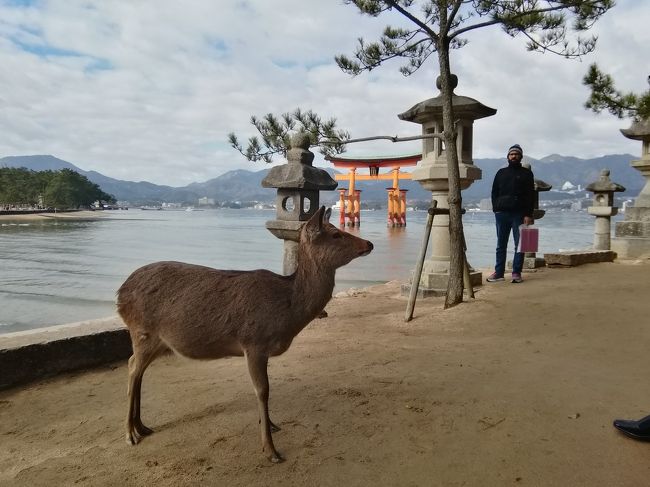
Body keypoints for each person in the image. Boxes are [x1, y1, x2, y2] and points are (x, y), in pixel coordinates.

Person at [487, 144, 535, 284]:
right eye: (511, 154)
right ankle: (499, 272)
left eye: (516, 154)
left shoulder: (527, 174)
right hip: (501, 213)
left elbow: (530, 195)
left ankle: (516, 272)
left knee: (520, 244)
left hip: (519, 213)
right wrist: (496, 208)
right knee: (500, 244)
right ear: (508, 156)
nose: (513, 156)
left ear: (521, 156)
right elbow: (494, 192)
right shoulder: (501, 172)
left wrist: (528, 214)